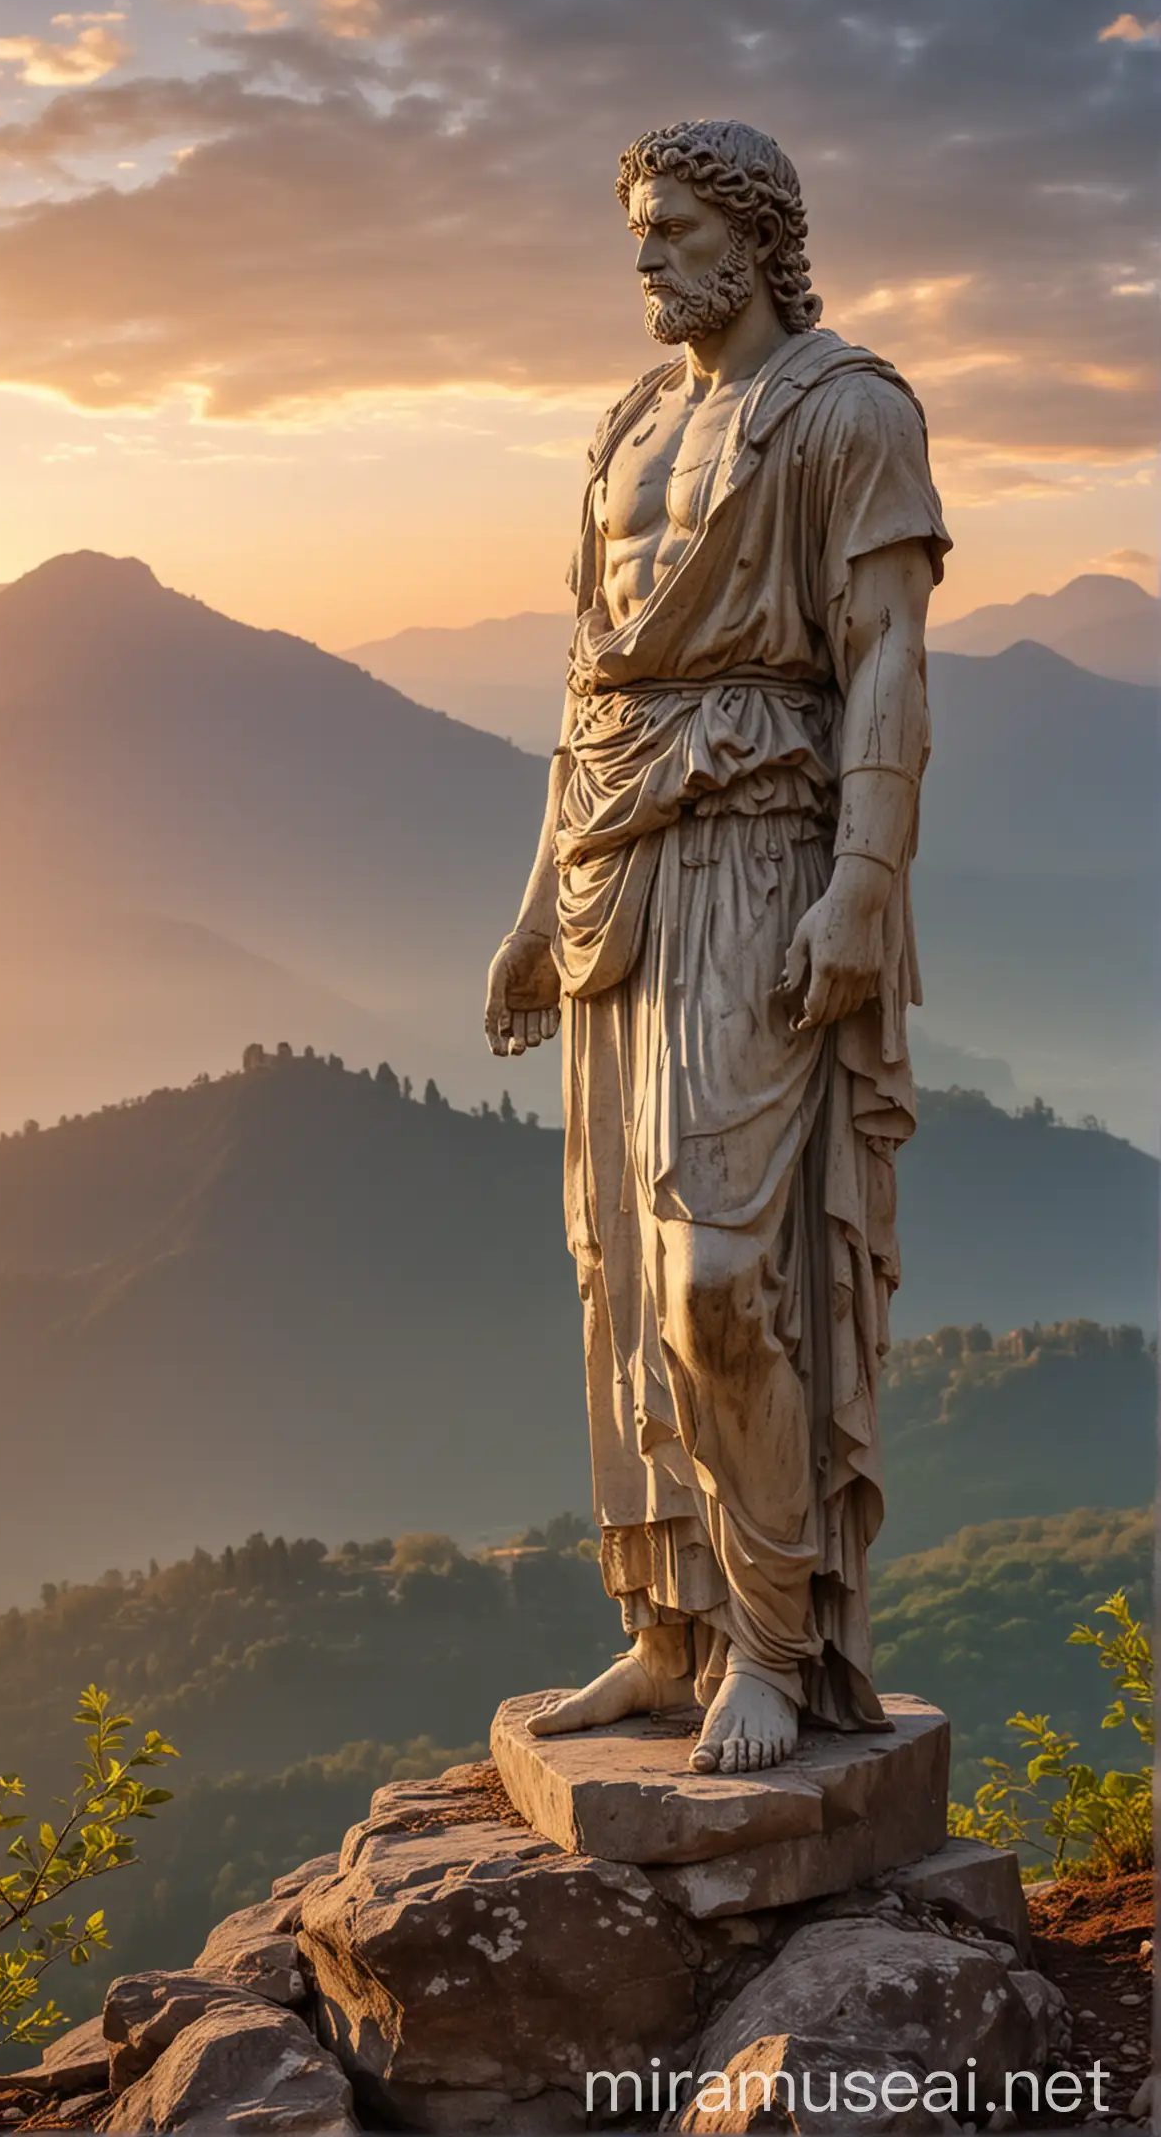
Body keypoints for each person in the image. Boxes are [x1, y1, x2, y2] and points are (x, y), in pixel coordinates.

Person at [485, 120, 950, 1774]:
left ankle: (773, 1639)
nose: (646, 260)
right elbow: (585, 681)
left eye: (672, 228)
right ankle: (666, 1629)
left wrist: (867, 878)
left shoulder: (848, 411)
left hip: (764, 852)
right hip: (618, 863)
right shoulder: (625, 428)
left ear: (753, 236)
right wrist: (540, 902)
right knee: (622, 1273)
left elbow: (887, 652)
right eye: (638, 230)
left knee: (724, 1281)